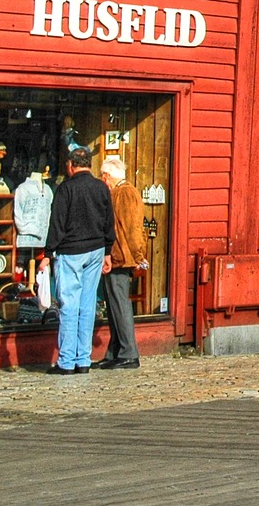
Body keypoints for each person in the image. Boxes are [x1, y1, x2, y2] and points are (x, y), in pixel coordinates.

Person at [45, 146, 113, 376]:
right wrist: (108, 251)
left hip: (71, 250)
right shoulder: (101, 188)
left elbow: (57, 223)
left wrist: (48, 252)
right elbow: (108, 221)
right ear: (90, 165)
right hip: (96, 249)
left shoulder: (66, 188)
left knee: (69, 306)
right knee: (87, 305)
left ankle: (66, 362)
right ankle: (83, 359)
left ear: (70, 165)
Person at [96, 154, 147, 369]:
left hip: (122, 257)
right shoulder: (121, 192)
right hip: (118, 256)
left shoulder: (124, 193)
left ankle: (128, 352)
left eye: (102, 177)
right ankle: (116, 351)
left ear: (107, 176)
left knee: (120, 304)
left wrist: (138, 256)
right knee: (114, 305)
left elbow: (133, 227)